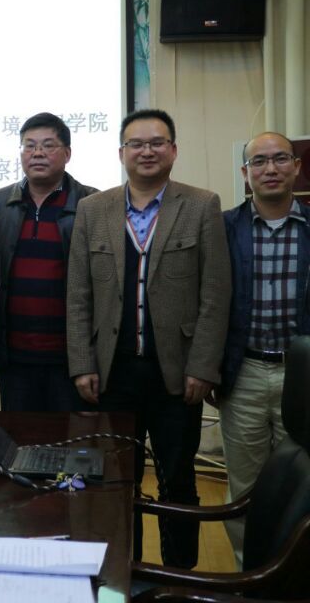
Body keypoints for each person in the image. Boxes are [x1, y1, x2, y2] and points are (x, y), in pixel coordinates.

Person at [66, 109, 231, 568]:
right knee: (118, 481)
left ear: (173, 150)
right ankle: (126, 574)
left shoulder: (201, 205)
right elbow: (78, 294)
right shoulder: (93, 209)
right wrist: (82, 364)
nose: (147, 151)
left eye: (157, 142)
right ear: (121, 153)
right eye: (136, 144)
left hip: (178, 375)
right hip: (112, 373)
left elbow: (215, 294)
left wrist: (203, 366)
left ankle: (180, 577)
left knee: (178, 479)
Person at [219, 132, 310, 566]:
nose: (270, 169)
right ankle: (249, 574)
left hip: (303, 377)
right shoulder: (223, 228)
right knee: (246, 486)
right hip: (245, 373)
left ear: (297, 167)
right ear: (245, 173)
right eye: (259, 161)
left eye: (280, 159)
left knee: (304, 485)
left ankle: (294, 577)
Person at [0, 112, 97, 410]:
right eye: (29, 146)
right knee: (19, 436)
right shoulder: (0, 203)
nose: (38, 153)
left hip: (70, 359)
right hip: (14, 357)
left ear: (67, 153)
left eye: (48, 145)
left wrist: (89, 358)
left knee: (72, 436)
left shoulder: (91, 204)